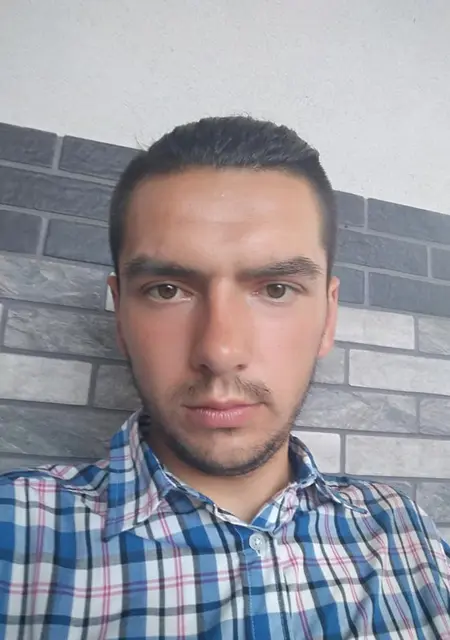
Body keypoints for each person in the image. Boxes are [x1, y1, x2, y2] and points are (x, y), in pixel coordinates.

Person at [0, 116, 448, 640]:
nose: (219, 351)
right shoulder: (17, 533)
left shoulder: (403, 531)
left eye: (276, 289)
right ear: (120, 314)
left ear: (328, 318)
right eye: (167, 290)